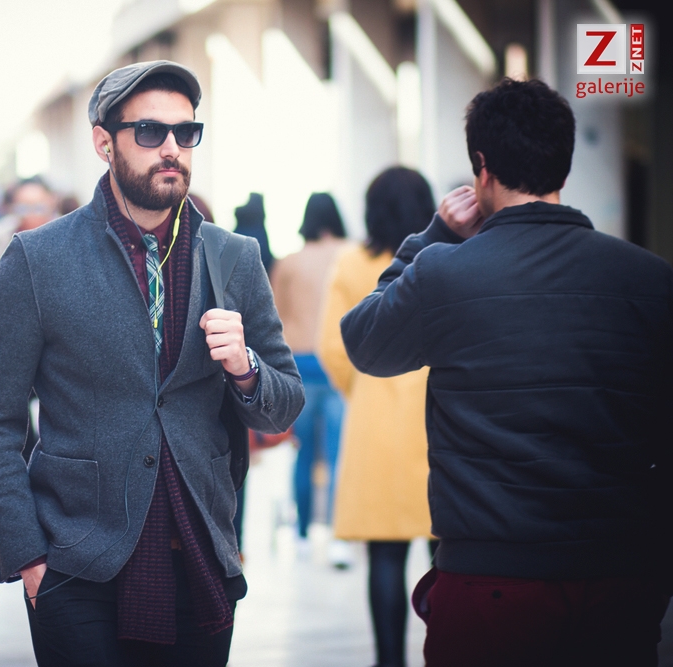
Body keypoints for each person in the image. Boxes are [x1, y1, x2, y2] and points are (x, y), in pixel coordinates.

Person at [0, 60, 304, 666]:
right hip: (77, 566)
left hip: (199, 558)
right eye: (150, 131)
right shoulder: (38, 259)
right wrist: (28, 558)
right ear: (105, 142)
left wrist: (246, 366)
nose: (171, 147)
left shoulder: (234, 257)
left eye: (185, 132)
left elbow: (284, 404)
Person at [341, 78, 673, 667]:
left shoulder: (446, 272)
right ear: (563, 164)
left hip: (489, 578)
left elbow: (365, 342)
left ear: (482, 167)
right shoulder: (650, 280)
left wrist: (432, 237)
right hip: (620, 578)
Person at [316, 168, 435, 667]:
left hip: (376, 424)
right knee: (450, 558)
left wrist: (361, 388)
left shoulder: (351, 264)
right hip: (441, 424)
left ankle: (389, 660)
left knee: (384, 557)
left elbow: (333, 347)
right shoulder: (446, 257)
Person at [269, 192, 350, 565]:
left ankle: (301, 535)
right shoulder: (349, 255)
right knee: (336, 454)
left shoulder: (288, 262)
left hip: (298, 363)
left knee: (302, 452)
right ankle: (337, 536)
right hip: (338, 362)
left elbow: (275, 315)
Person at [0, 176, 58, 292]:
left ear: (52, 203)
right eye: (22, 208)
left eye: (39, 208)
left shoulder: (65, 238)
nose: (31, 215)